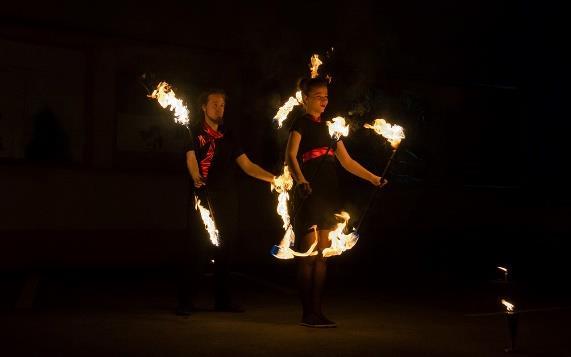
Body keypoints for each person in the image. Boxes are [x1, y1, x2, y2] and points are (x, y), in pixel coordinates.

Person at [286, 77, 383, 327]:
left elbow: (347, 161)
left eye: (326, 96)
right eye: (318, 96)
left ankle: (318, 311)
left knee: (322, 256)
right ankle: (306, 312)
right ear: (305, 99)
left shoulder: (331, 128)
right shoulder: (301, 123)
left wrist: (373, 178)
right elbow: (291, 156)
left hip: (329, 192)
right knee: (307, 256)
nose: (323, 101)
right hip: (309, 190)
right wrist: (300, 181)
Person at [177, 89, 276, 316]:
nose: (219, 108)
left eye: (222, 105)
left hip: (227, 200)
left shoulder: (229, 135)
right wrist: (195, 177)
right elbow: (190, 157)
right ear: (203, 106)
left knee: (226, 249)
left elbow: (247, 165)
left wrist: (274, 178)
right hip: (201, 197)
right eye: (214, 104)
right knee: (197, 249)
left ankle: (222, 299)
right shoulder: (191, 130)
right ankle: (185, 300)